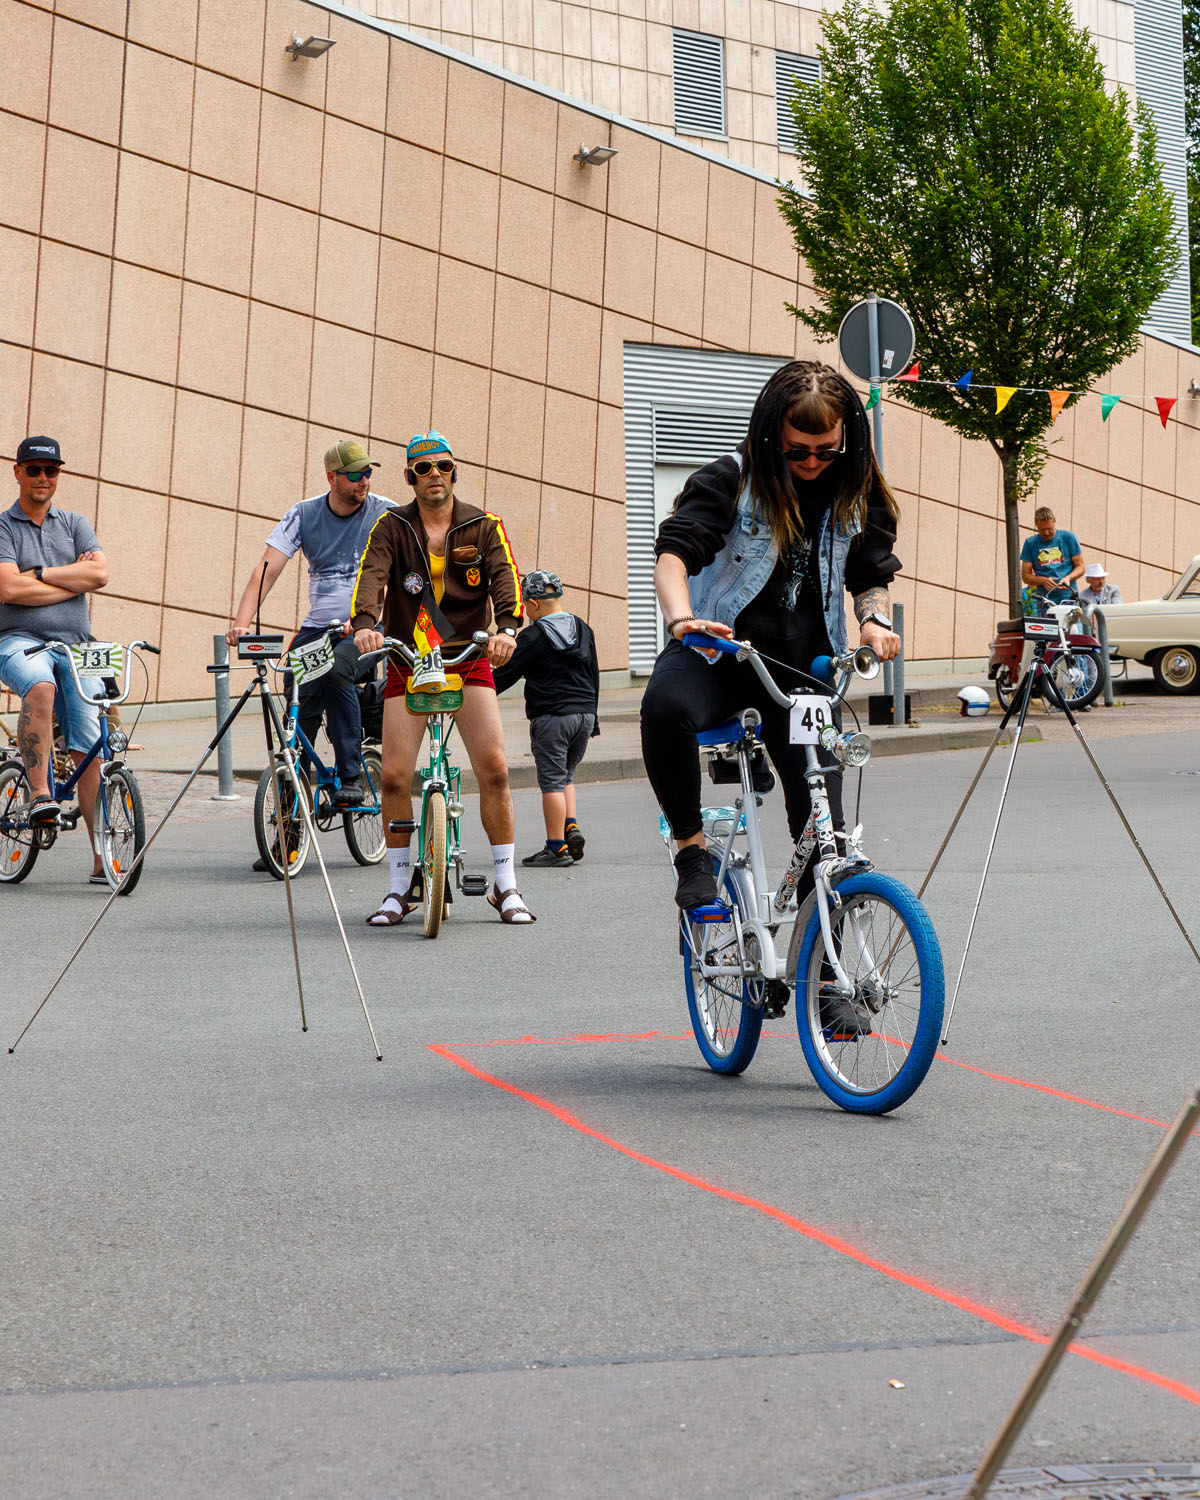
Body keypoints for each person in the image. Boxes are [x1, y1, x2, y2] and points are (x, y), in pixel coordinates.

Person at [640, 360, 902, 913]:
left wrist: (875, 619)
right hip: (722, 654)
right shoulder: (730, 480)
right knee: (663, 706)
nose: (811, 462)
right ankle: (691, 852)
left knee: (820, 833)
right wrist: (683, 620)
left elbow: (870, 575)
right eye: (797, 450)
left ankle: (828, 982)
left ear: (845, 441)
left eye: (825, 450)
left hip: (803, 671)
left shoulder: (858, 493)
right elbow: (673, 557)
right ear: (771, 437)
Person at [350, 431, 535, 925]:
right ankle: (397, 890)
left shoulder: (483, 525)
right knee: (393, 775)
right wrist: (367, 626)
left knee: (494, 767)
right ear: (410, 477)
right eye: (424, 468)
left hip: (468, 655)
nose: (435, 475)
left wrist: (508, 630)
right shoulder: (390, 527)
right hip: (410, 657)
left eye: (444, 467)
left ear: (455, 472)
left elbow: (505, 580)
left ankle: (506, 885)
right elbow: (371, 577)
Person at [226, 439, 394, 837]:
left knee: (338, 670)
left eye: (368, 472)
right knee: (298, 702)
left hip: (369, 627)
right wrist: (242, 623)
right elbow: (264, 571)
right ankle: (290, 822)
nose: (364, 480)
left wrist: (370, 619)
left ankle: (351, 775)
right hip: (319, 628)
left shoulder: (385, 513)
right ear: (332, 477)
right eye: (355, 475)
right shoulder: (303, 514)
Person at [0, 435, 109, 882]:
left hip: (77, 645)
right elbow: (8, 589)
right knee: (40, 685)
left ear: (58, 474)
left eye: (51, 470)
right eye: (34, 470)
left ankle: (104, 858)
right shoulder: (3, 527)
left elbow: (100, 573)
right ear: (18, 472)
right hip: (16, 639)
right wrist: (73, 580)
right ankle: (41, 793)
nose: (43, 478)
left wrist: (40, 575)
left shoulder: (75, 523)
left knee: (91, 747)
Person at [492, 568, 599, 867]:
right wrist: (594, 716)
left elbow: (506, 674)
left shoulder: (533, 636)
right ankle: (570, 826)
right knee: (567, 775)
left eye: (525, 605)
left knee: (551, 781)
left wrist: (482, 690)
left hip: (552, 717)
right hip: (585, 713)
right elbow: (594, 672)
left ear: (534, 604)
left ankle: (556, 847)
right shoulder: (583, 628)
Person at [1020, 507, 1084, 604]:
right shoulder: (1030, 543)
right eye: (1042, 530)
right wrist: (1043, 581)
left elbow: (1081, 567)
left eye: (1049, 529)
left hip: (1069, 598)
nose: (1046, 533)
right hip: (1045, 601)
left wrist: (1068, 578)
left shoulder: (1068, 537)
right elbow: (1025, 576)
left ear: (1054, 522)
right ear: (1036, 526)